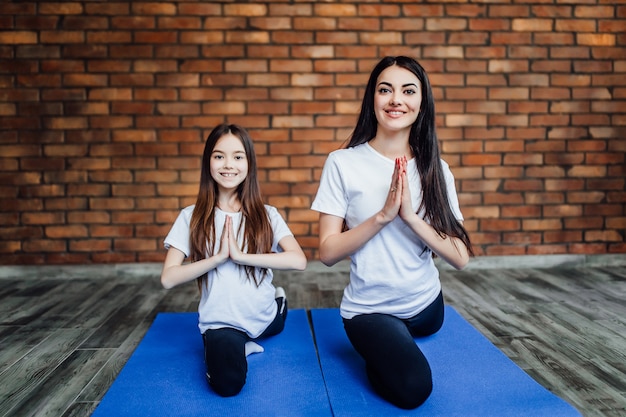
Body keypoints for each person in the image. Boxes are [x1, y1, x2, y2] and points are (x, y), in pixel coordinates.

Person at [311, 56, 474, 409]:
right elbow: (327, 252)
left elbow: (460, 258)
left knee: (421, 331)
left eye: (408, 90)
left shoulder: (436, 168)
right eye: (385, 90)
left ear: (421, 102)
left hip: (427, 307)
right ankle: (382, 347)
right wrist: (383, 217)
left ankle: (397, 339)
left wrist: (412, 218)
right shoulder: (343, 163)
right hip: (371, 310)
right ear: (373, 98)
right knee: (414, 389)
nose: (396, 99)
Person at [161, 123, 307, 397]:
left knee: (277, 322)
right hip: (221, 323)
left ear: (249, 163)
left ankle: (279, 301)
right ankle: (240, 343)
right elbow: (168, 278)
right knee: (227, 385)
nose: (229, 165)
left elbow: (299, 260)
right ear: (208, 162)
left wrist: (242, 257)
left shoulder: (267, 214)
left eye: (238, 157)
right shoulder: (190, 216)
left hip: (263, 316)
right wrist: (217, 258)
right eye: (219, 156)